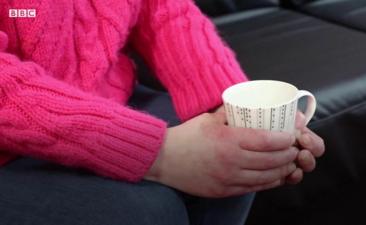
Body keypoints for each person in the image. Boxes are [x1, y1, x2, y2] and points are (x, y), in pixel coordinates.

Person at [0, 0, 325, 225]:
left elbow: (163, 11)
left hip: (108, 96)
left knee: (241, 157)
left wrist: (229, 104)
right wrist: (161, 154)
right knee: (144, 213)